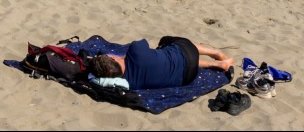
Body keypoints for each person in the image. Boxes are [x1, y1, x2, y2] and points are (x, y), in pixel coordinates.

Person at [88, 38, 234, 90]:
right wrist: (124, 56)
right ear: (113, 59)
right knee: (169, 42)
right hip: (187, 54)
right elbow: (144, 43)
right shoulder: (136, 51)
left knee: (178, 62)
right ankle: (215, 54)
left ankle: (213, 65)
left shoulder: (129, 83)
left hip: (187, 78)